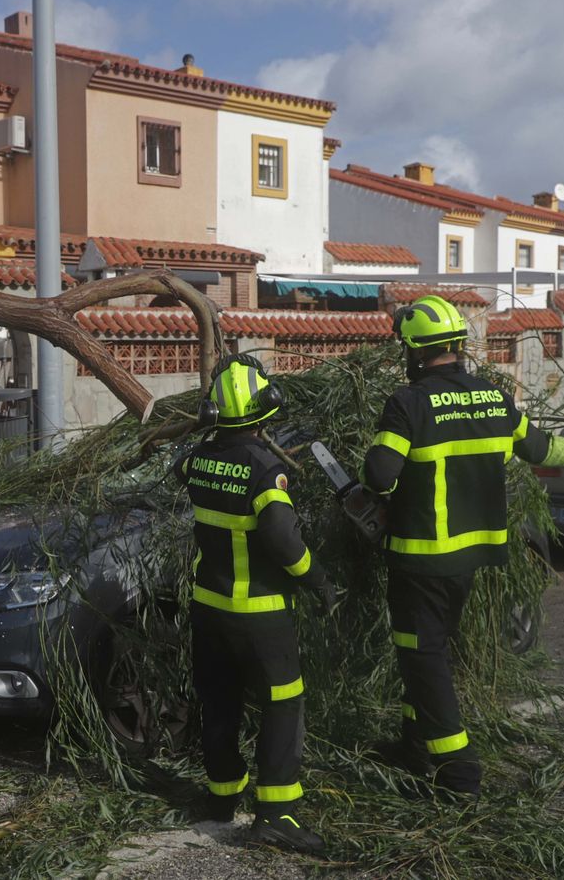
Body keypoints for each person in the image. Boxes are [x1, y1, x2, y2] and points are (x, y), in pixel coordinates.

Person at [361, 295, 564, 797]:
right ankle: (415, 744)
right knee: (425, 654)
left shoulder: (407, 403)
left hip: (421, 559)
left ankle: (459, 774)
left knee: (424, 657)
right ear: (458, 346)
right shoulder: (495, 398)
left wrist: (379, 488)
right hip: (472, 558)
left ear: (414, 353)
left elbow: (378, 474)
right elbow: (541, 449)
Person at [177, 354, 336, 855]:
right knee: (283, 704)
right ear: (267, 409)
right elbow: (285, 544)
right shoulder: (267, 472)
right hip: (260, 613)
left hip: (208, 608)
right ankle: (277, 815)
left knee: (219, 700)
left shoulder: (196, 458)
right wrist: (320, 582)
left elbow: (183, 464)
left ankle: (223, 796)